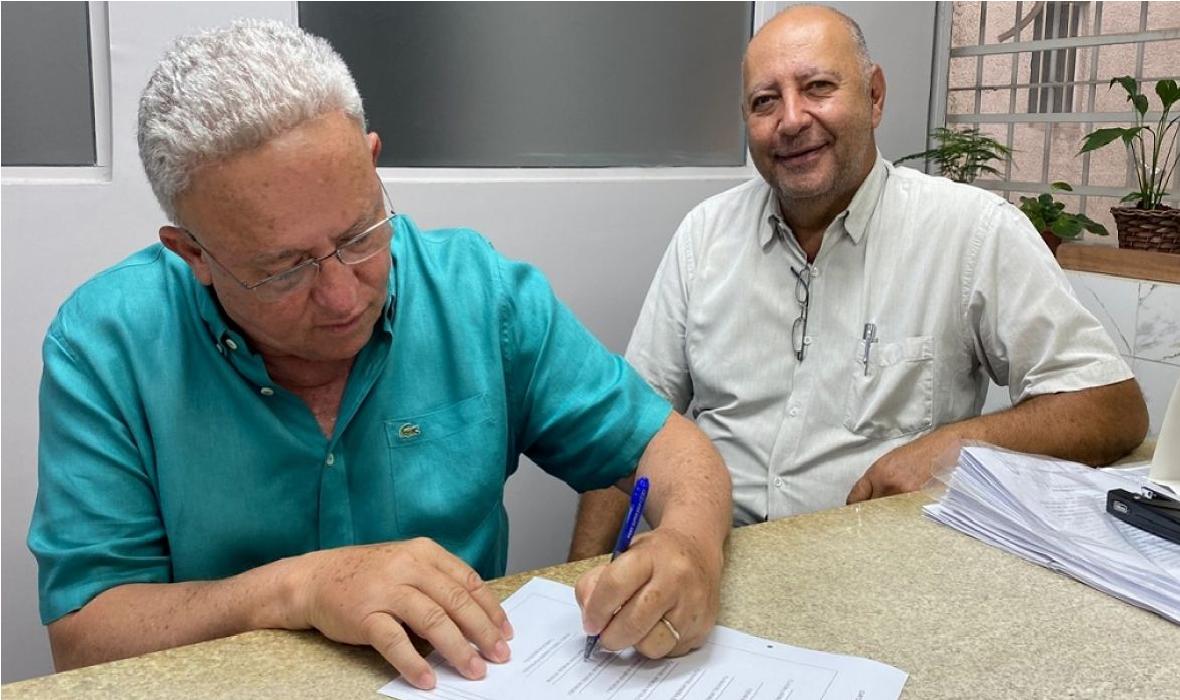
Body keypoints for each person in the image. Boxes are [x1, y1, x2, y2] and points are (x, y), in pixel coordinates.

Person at [27, 19, 731, 690]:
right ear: (193, 255)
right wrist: (297, 587)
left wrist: (692, 549)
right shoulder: (106, 345)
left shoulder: (479, 293)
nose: (341, 296)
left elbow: (670, 448)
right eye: (282, 270)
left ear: (370, 164)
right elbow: (85, 635)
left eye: (361, 233)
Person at [569, 5, 1147, 556]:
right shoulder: (704, 235)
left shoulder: (972, 231)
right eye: (765, 101)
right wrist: (578, 583)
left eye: (818, 87)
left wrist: (953, 449)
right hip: (711, 556)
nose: (791, 121)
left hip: (879, 569)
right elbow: (628, 427)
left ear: (874, 96)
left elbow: (1111, 407)